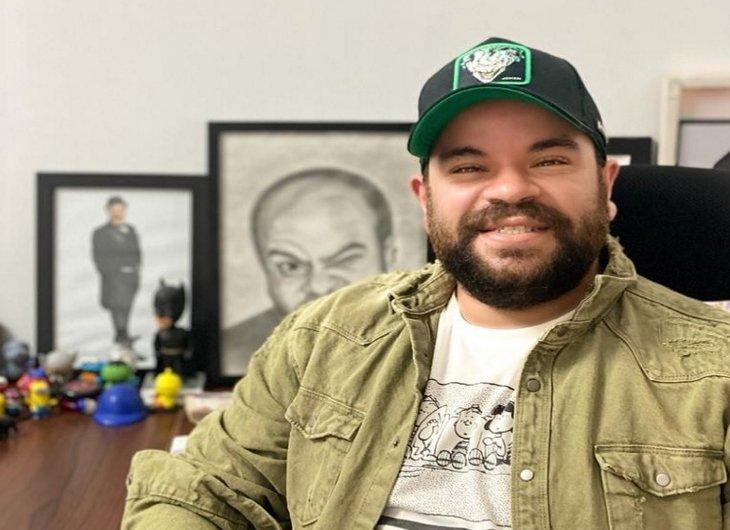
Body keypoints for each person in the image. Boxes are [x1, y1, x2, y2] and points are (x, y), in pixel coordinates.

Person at [123, 37, 730, 529]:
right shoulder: (324, 338)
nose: (509, 189)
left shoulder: (716, 372)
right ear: (425, 199)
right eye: (468, 166)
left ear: (605, 184)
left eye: (548, 160)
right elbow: (202, 491)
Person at [222, 168, 396, 374]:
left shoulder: (422, 344)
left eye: (343, 260)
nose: (318, 286)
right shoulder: (234, 355)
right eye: (290, 266)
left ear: (388, 255)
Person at [92, 196, 141, 347]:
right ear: (108, 210)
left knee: (127, 306)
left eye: (120, 210)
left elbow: (137, 252)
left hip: (130, 277)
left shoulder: (131, 230)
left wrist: (135, 268)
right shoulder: (100, 233)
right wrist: (115, 271)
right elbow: (99, 256)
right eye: (114, 210)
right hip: (113, 279)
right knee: (117, 307)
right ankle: (121, 336)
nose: (118, 213)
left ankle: (124, 334)